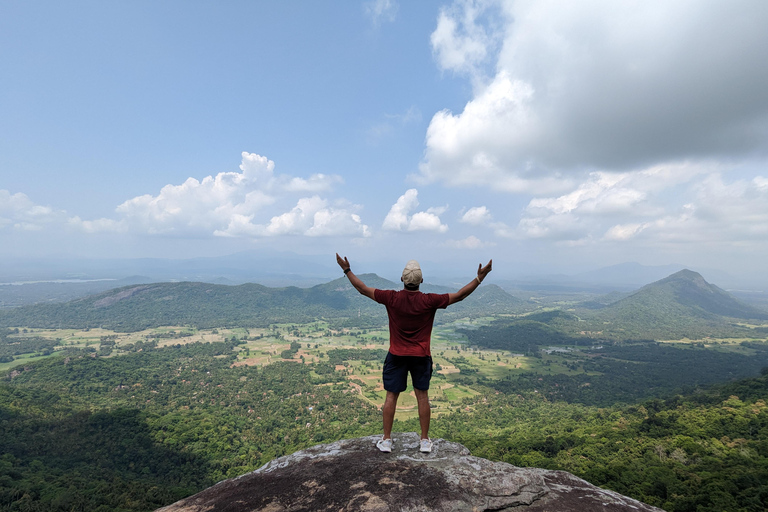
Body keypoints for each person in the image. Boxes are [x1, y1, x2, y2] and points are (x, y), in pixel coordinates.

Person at [335, 253, 492, 454]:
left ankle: (387, 440)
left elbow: (362, 288)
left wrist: (347, 269)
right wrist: (480, 277)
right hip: (421, 356)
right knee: (422, 397)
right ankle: (424, 441)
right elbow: (460, 295)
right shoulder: (429, 301)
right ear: (422, 281)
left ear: (402, 279)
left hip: (396, 355)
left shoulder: (391, 298)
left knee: (391, 396)